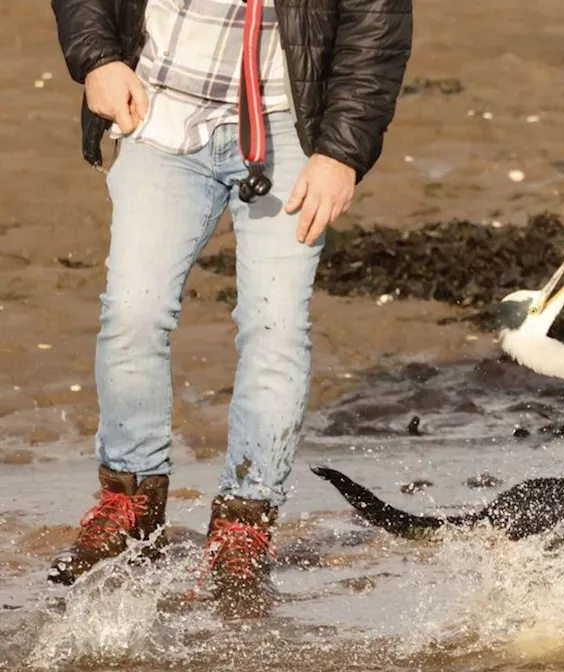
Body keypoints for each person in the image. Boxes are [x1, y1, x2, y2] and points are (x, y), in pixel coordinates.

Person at [46, 0, 412, 617]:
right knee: (133, 313)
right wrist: (97, 59)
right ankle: (130, 504)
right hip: (160, 116)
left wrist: (343, 152)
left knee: (274, 329)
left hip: (290, 130)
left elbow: (377, 25)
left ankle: (244, 527)